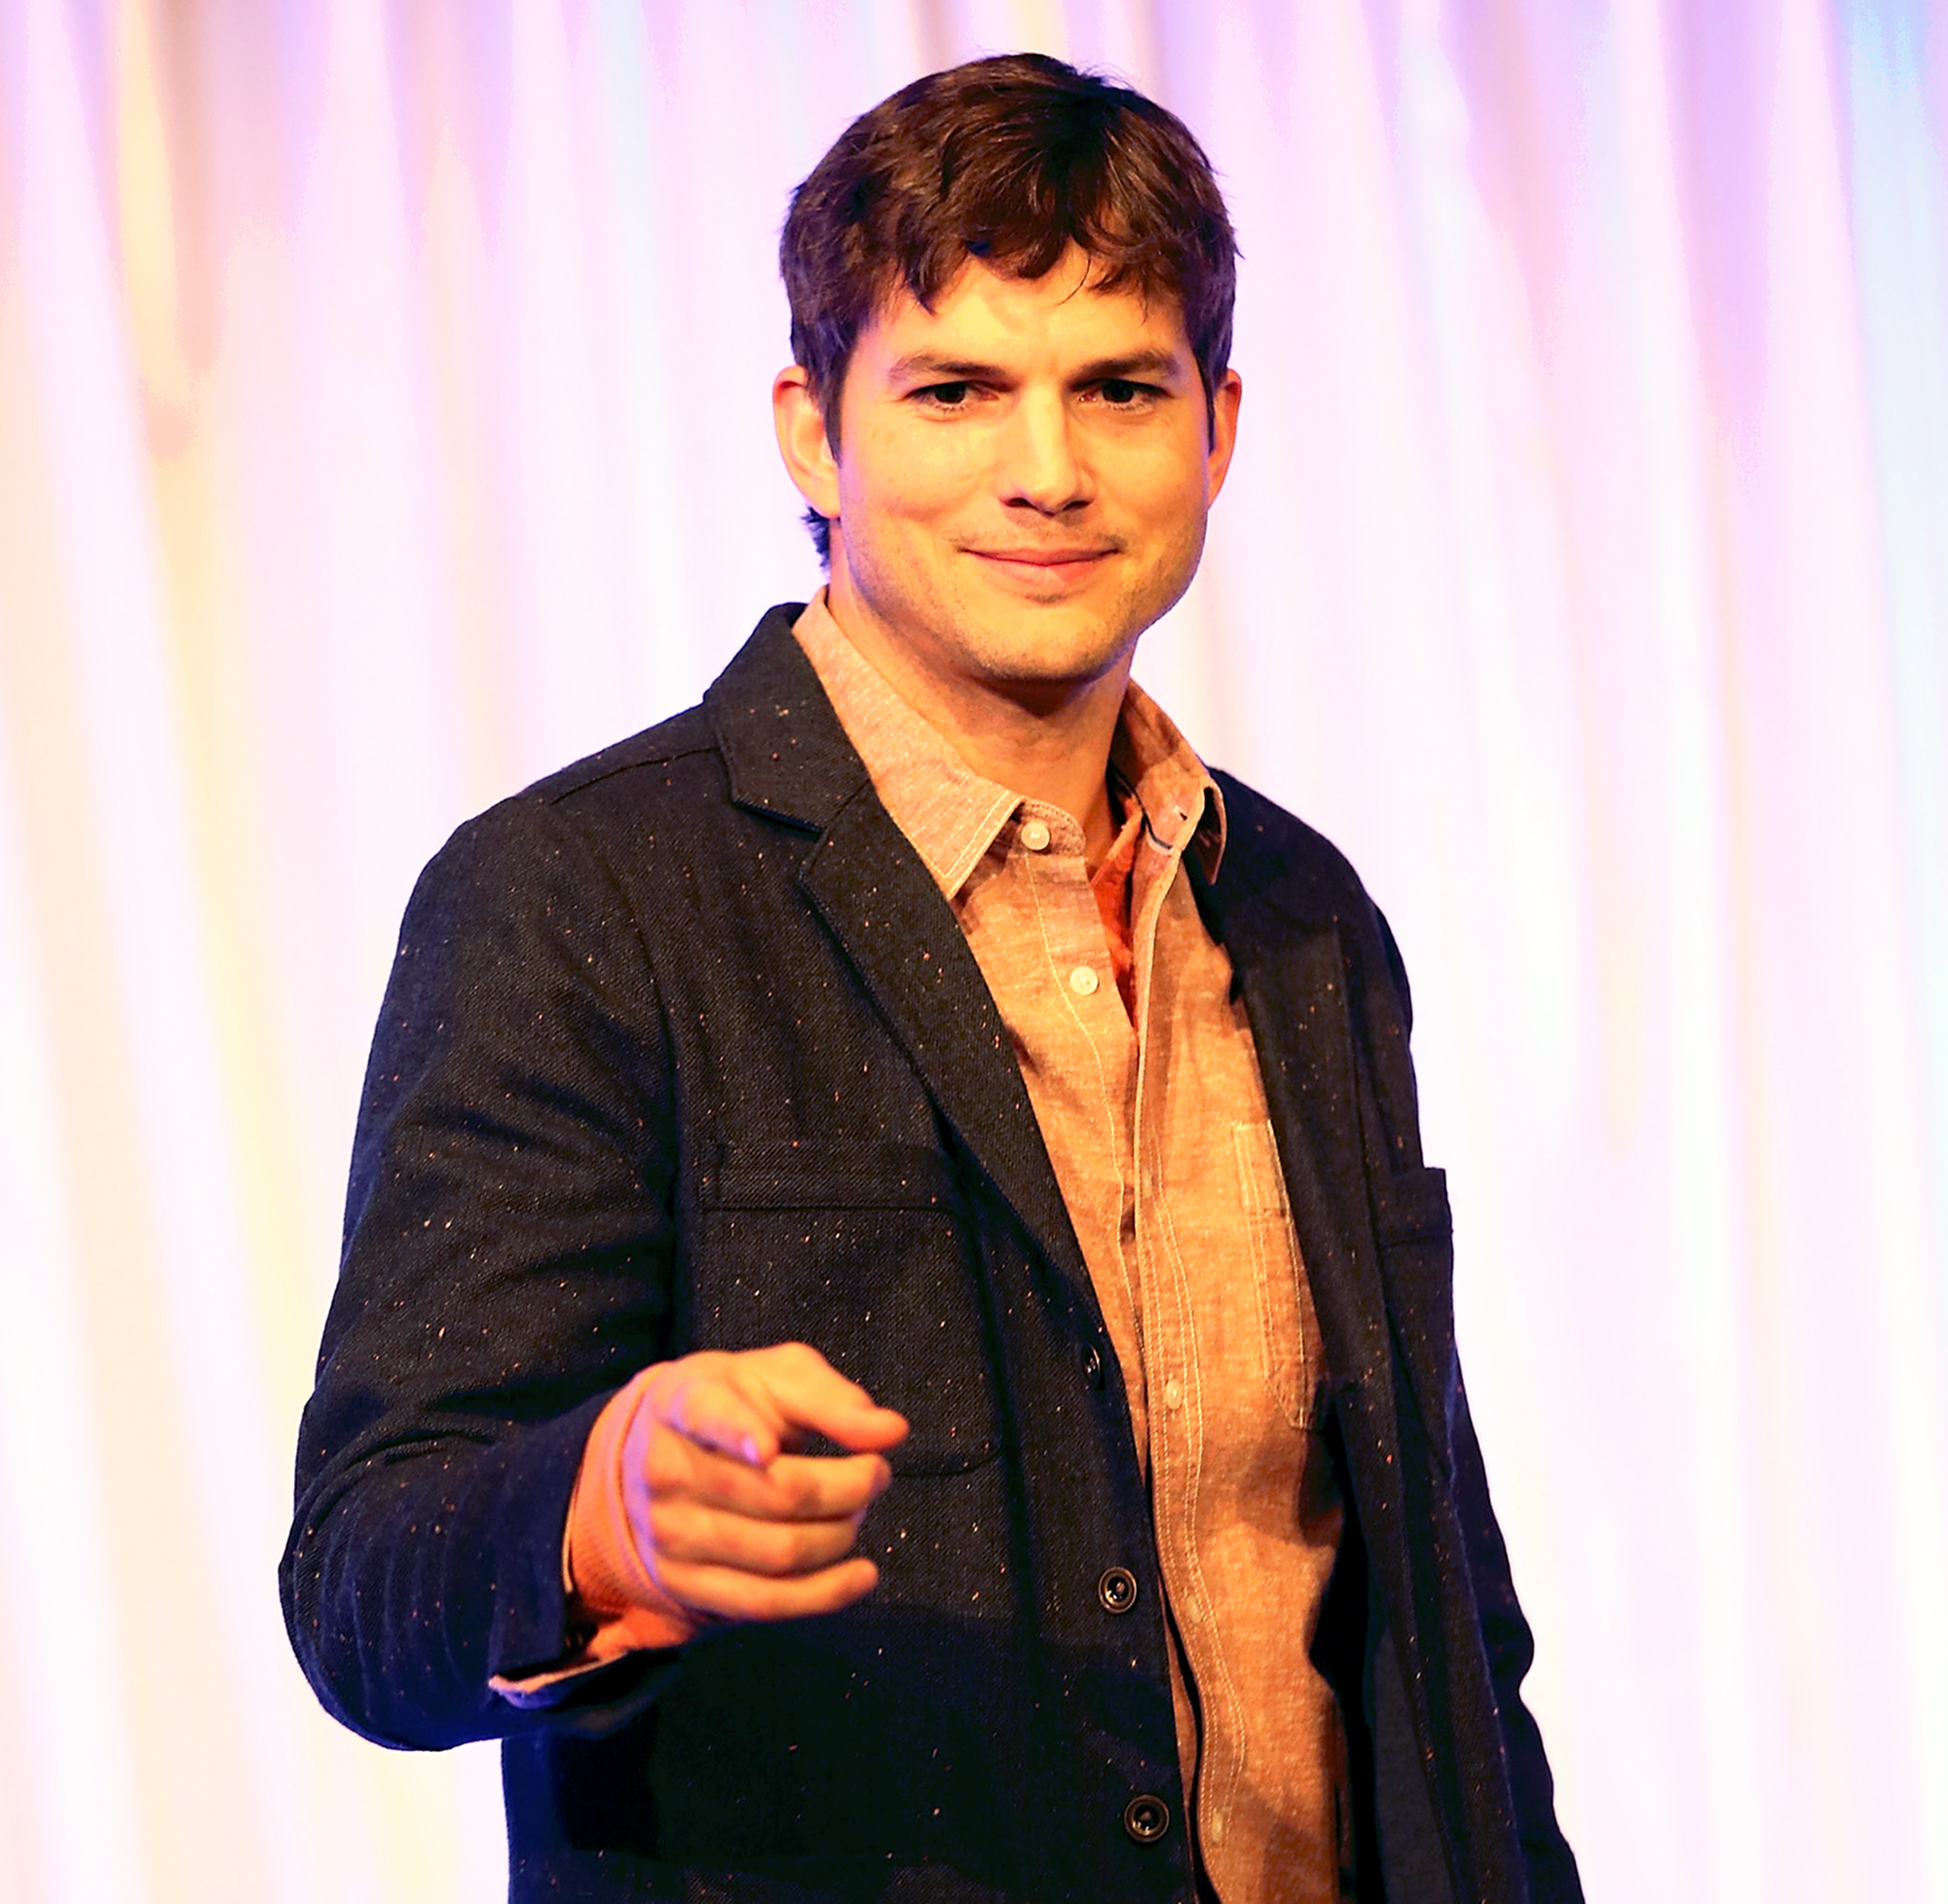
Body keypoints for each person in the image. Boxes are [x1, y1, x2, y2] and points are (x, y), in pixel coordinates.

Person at [283, 53, 1583, 1904]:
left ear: (1218, 428)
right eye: (958, 389)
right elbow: (362, 1583)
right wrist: (589, 1508)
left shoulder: (1297, 919)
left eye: (1119, 389)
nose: (1046, 471)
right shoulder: (580, 897)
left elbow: (1440, 1616)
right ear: (817, 432)